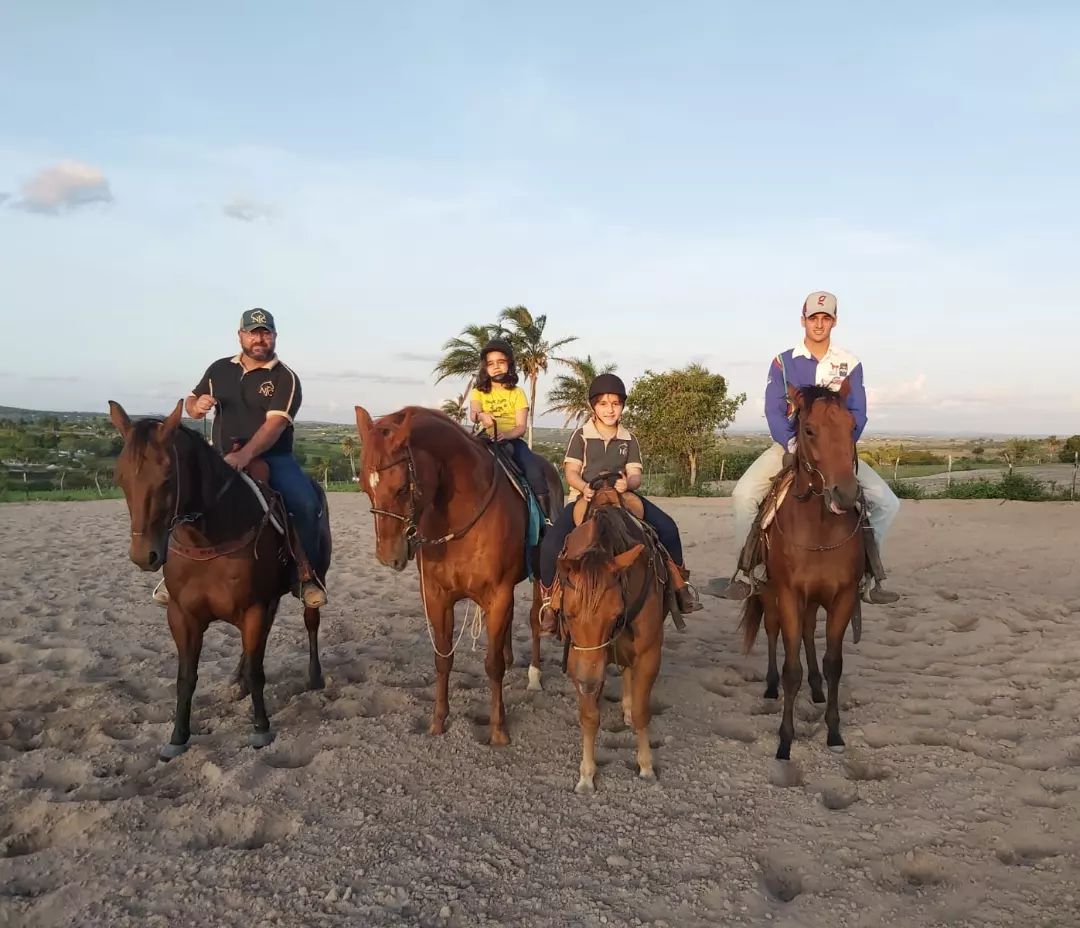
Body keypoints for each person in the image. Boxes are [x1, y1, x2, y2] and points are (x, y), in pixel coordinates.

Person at [724, 291, 900, 604]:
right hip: (791, 445)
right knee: (744, 494)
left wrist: (840, 448)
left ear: (834, 321)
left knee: (887, 503)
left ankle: (868, 575)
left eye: (826, 318)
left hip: (835, 452)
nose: (819, 324)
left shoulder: (850, 363)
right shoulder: (783, 362)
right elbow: (774, 410)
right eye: (813, 317)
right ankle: (746, 573)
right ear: (803, 319)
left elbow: (858, 412)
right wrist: (792, 443)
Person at [182, 307, 328, 608]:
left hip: (274, 457)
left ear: (274, 336)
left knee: (305, 502)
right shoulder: (219, 369)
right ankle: (174, 574)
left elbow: (274, 426)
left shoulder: (285, 377)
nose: (259, 338)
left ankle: (306, 574)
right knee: (181, 497)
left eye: (265, 332)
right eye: (253, 332)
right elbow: (191, 403)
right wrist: (198, 406)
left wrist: (244, 456)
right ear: (241, 336)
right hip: (220, 456)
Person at [538, 373, 702, 631]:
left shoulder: (629, 438)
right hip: (587, 495)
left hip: (622, 495)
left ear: (622, 406)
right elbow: (571, 471)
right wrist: (582, 486)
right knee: (550, 544)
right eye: (603, 403)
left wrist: (629, 484)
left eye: (615, 403)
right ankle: (550, 602)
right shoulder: (581, 436)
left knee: (668, 528)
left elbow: (635, 474)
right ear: (593, 406)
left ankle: (680, 586)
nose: (610, 409)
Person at [469, 338, 552, 519]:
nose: (496, 367)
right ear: (485, 367)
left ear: (509, 364)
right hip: (484, 440)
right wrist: (482, 415)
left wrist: (505, 434)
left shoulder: (517, 393)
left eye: (500, 362)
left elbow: (521, 427)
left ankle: (546, 519)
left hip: (511, 440)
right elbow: (473, 413)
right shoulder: (478, 392)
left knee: (534, 471)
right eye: (490, 363)